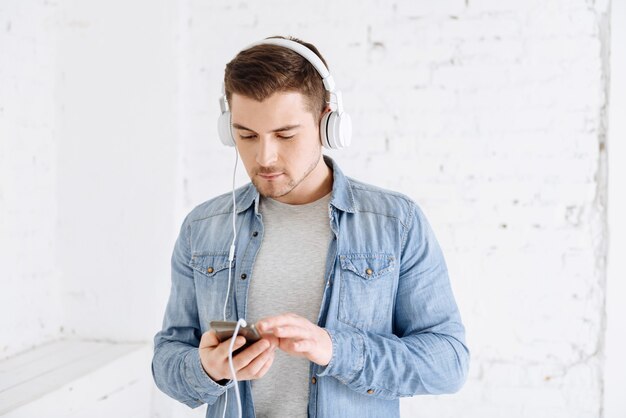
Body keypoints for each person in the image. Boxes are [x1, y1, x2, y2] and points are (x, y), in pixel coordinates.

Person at [151, 35, 469, 418]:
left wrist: (335, 349)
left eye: (285, 134)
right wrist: (208, 370)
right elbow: (167, 358)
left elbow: (448, 362)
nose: (264, 156)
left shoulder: (395, 223)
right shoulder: (203, 228)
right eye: (246, 135)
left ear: (328, 124)